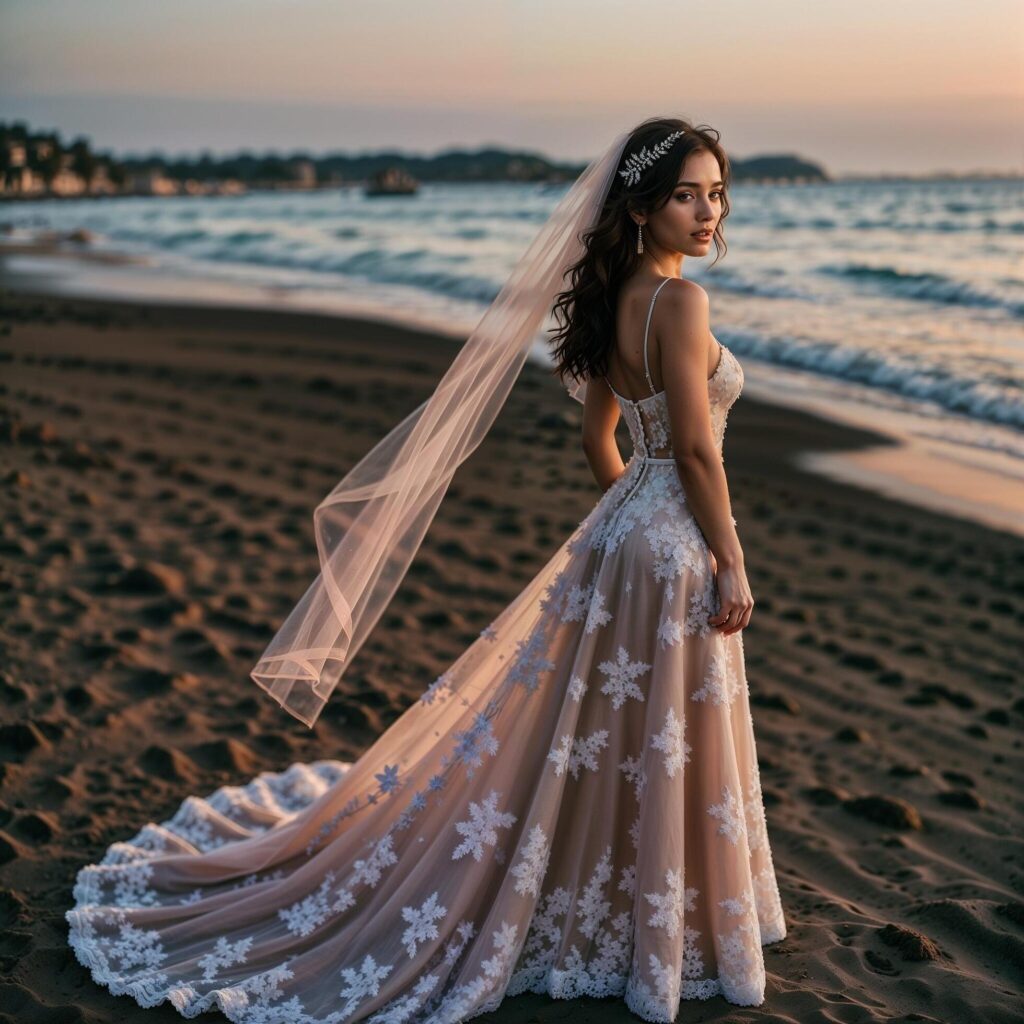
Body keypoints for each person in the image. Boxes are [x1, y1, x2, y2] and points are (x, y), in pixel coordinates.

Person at [66, 116, 787, 1024]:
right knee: (652, 732)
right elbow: (691, 446)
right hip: (670, 541)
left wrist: (627, 517)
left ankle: (606, 899)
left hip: (623, 536)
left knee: (610, 729)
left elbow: (604, 436)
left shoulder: (614, 302)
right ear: (642, 207)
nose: (709, 210)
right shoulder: (681, 306)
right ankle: (652, 915)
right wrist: (726, 554)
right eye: (688, 193)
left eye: (718, 192)